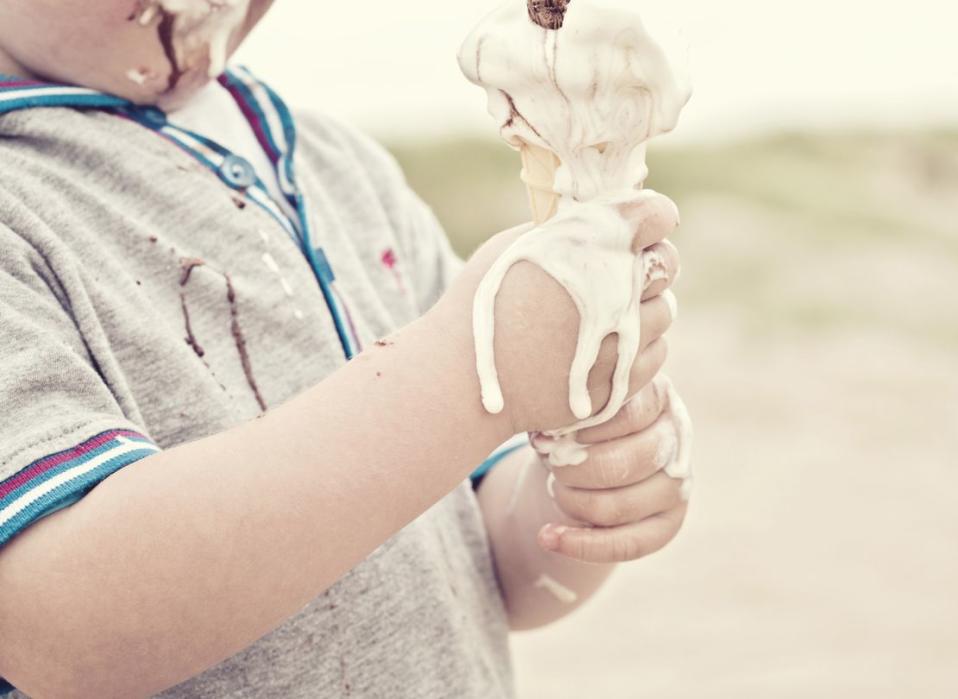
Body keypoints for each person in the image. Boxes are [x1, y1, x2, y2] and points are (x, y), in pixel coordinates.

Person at [0, 2, 691, 696]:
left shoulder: (341, 166)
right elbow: (60, 631)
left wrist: (575, 482)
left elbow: (504, 574)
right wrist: (471, 370)